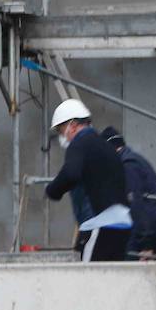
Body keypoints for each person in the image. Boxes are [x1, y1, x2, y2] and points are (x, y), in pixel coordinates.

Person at [44, 98, 133, 262]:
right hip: (124, 225)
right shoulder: (106, 146)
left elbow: (70, 173)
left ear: (72, 125)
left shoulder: (79, 143)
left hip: (99, 225)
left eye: (61, 130)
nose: (62, 135)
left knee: (89, 280)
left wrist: (52, 190)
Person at [99, 127, 156, 258]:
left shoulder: (127, 166)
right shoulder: (135, 160)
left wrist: (146, 244)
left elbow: (136, 205)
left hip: (146, 236)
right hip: (153, 232)